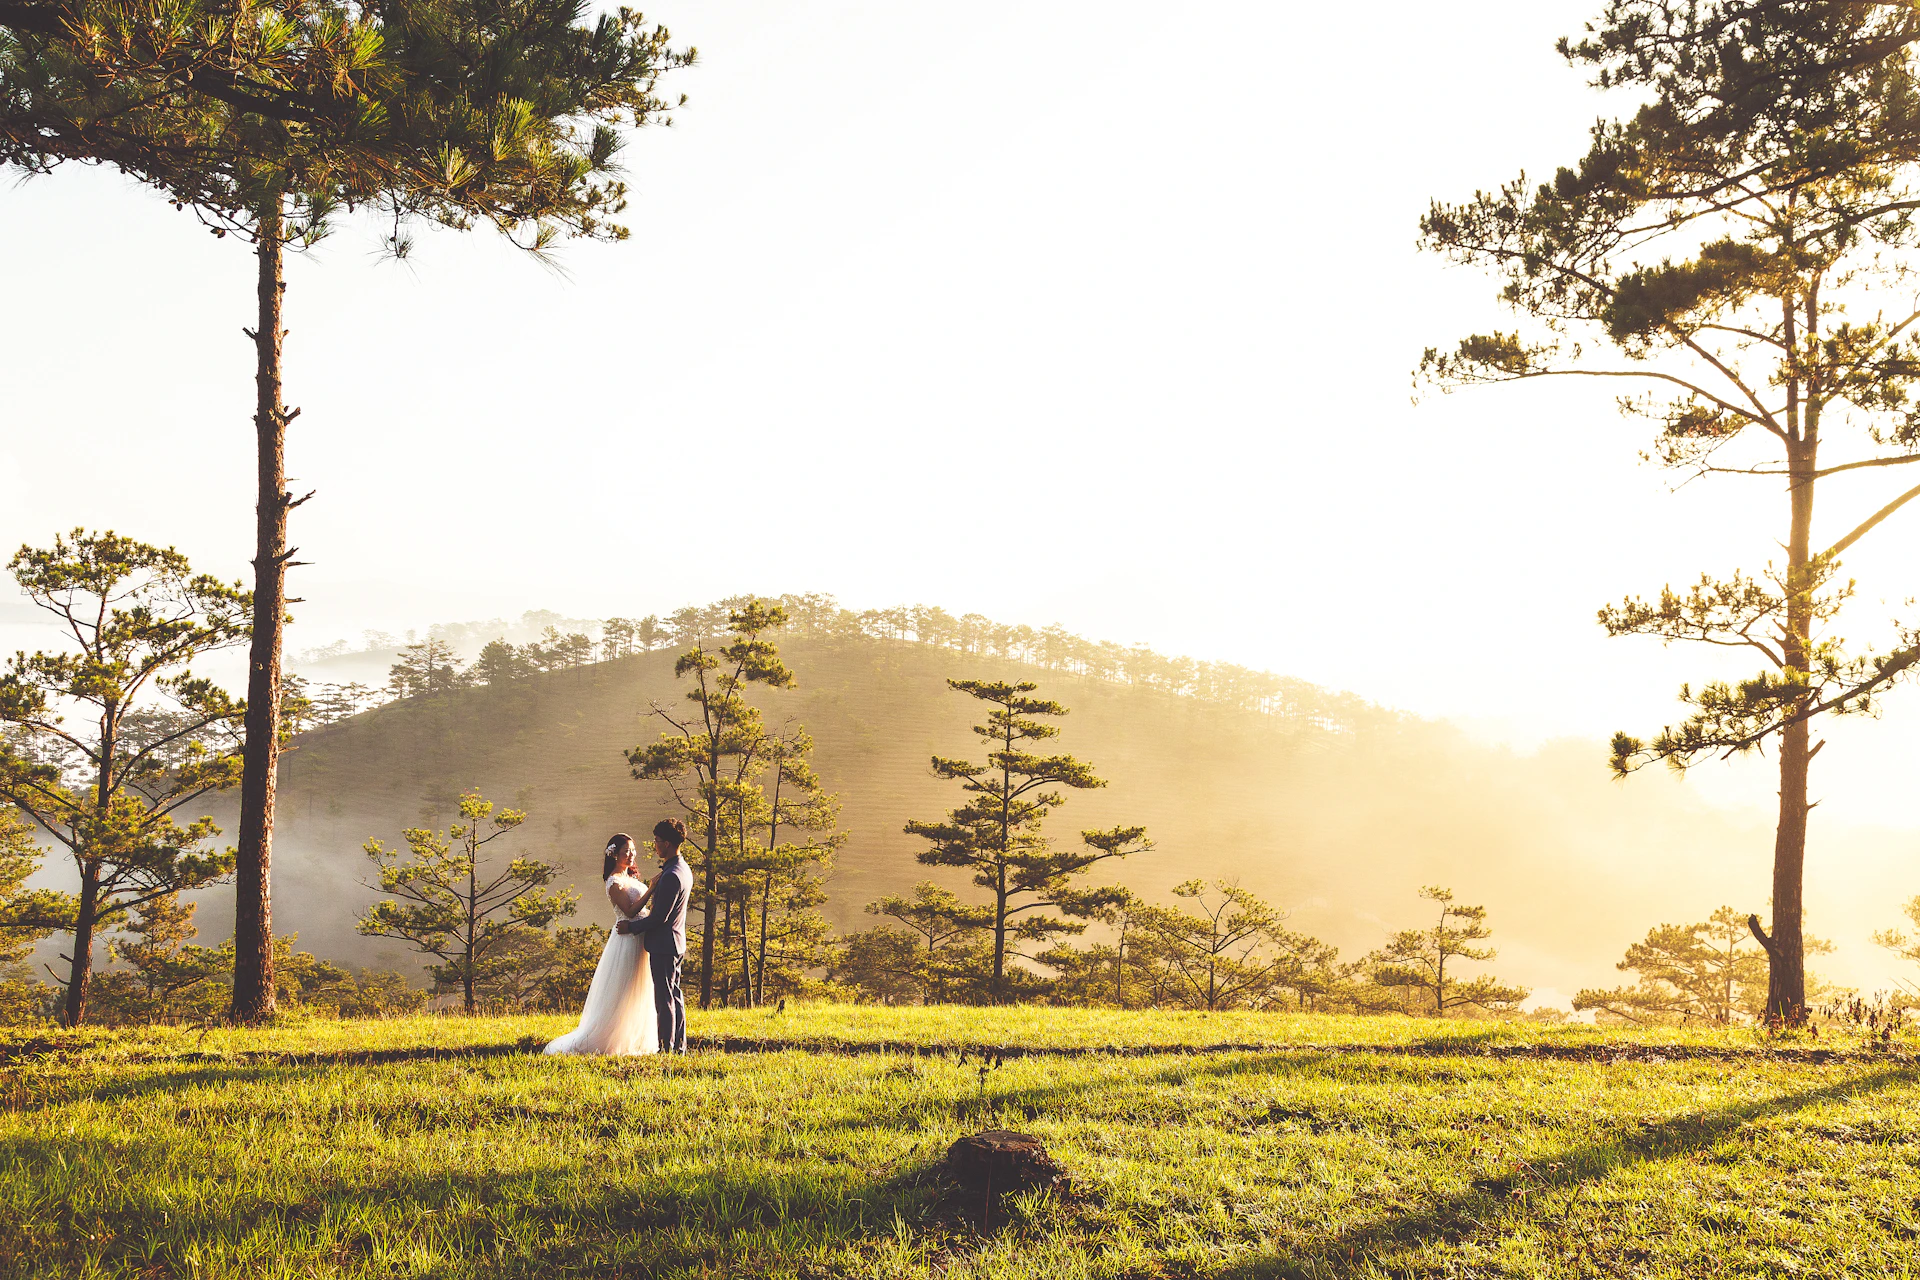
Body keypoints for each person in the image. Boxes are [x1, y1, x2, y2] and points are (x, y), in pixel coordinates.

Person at [542, 833, 659, 1056]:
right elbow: (630, 910)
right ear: (614, 854)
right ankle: (611, 1038)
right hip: (627, 941)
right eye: (626, 851)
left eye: (632, 851)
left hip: (641, 937)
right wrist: (652, 888)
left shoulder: (631, 879)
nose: (631, 855)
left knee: (641, 989)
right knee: (625, 989)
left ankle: (636, 1037)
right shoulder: (614, 881)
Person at [616, 818, 691, 1053]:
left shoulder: (671, 876)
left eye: (657, 841)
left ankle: (666, 1049)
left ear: (667, 843)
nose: (655, 845)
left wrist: (631, 928)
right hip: (675, 942)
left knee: (664, 999)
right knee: (674, 995)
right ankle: (679, 1046)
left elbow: (660, 917)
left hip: (664, 944)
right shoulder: (681, 868)